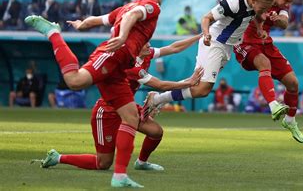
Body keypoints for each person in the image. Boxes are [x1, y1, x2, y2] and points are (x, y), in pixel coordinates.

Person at [25, 0, 164, 188]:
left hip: (120, 64)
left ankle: (119, 177)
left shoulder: (125, 6)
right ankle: (53, 33)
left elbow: (99, 19)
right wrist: (122, 36)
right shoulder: (151, 5)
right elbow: (133, 16)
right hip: (114, 54)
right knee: (75, 80)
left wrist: (82, 24)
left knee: (130, 117)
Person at [36, 35, 202, 176]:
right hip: (107, 111)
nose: (149, 45)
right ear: (136, 46)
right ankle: (57, 157)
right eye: (145, 42)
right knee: (103, 163)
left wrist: (200, 36)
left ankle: (142, 162)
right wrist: (188, 82)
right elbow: (159, 85)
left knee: (156, 132)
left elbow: (173, 47)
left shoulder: (147, 54)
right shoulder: (131, 66)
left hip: (127, 107)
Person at [145, 0, 282, 132]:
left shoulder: (255, 0)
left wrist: (260, 28)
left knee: (197, 82)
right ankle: (158, 99)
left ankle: (156, 99)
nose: (262, 12)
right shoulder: (233, 3)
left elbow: (253, 14)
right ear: (254, 0)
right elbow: (206, 18)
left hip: (227, 46)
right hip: (214, 42)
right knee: (202, 89)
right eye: (262, 9)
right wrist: (206, 34)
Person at [232, 0, 303, 142]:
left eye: (289, 2)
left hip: (265, 42)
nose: (287, 4)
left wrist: (277, 19)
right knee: (264, 63)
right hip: (244, 42)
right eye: (286, 0)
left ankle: (290, 121)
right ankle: (273, 105)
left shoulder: (283, 5)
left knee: (293, 83)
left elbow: (284, 23)